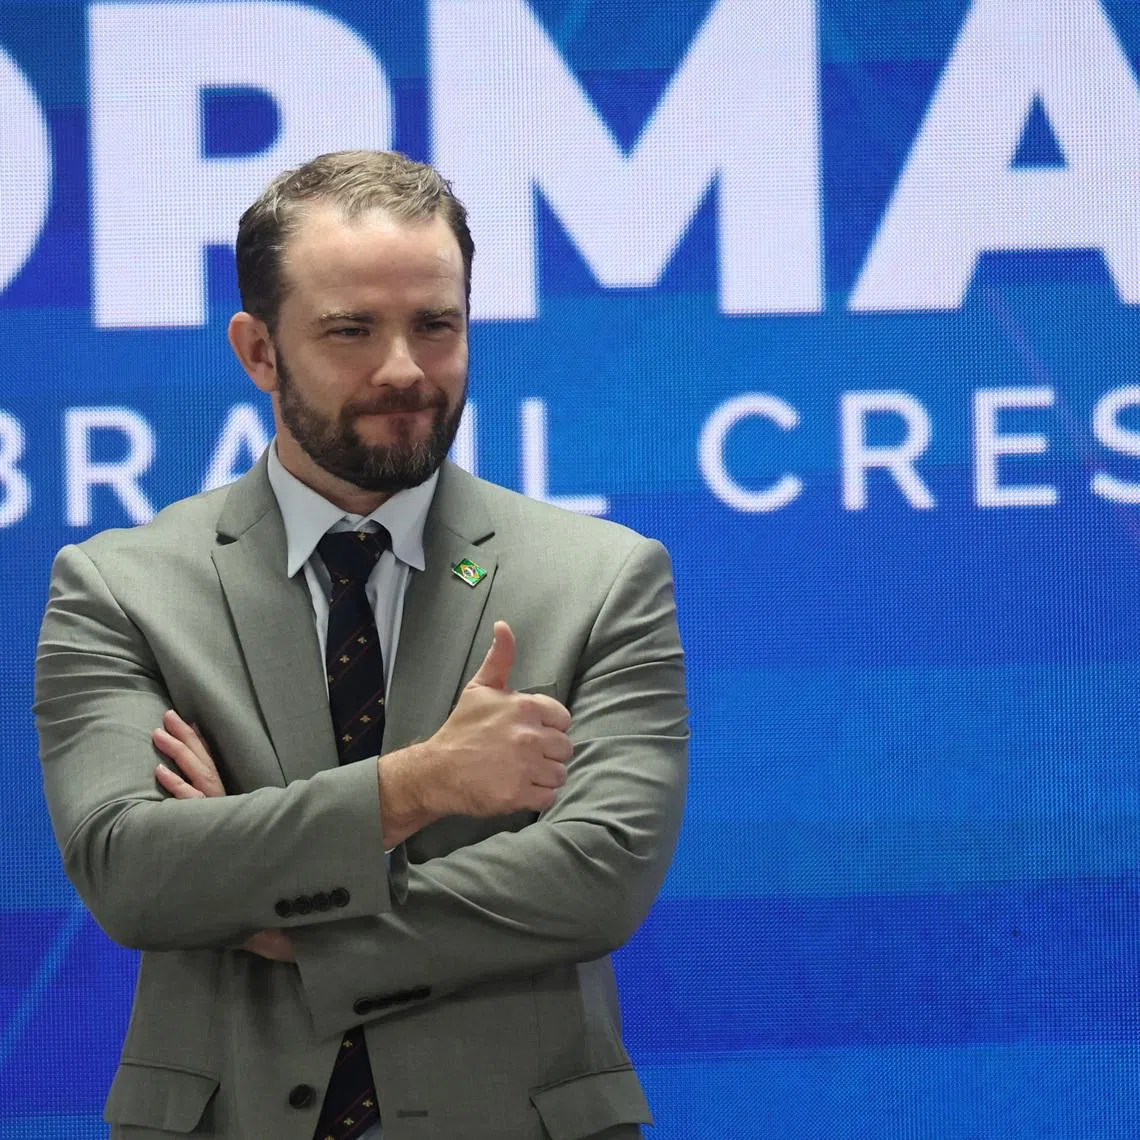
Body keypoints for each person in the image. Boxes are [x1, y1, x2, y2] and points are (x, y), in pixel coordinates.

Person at [35, 150, 688, 1140]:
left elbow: (598, 878)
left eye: (438, 325)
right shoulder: (120, 587)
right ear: (258, 352)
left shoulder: (603, 580)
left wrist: (272, 913)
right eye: (352, 331)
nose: (404, 370)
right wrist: (420, 786)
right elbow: (133, 873)